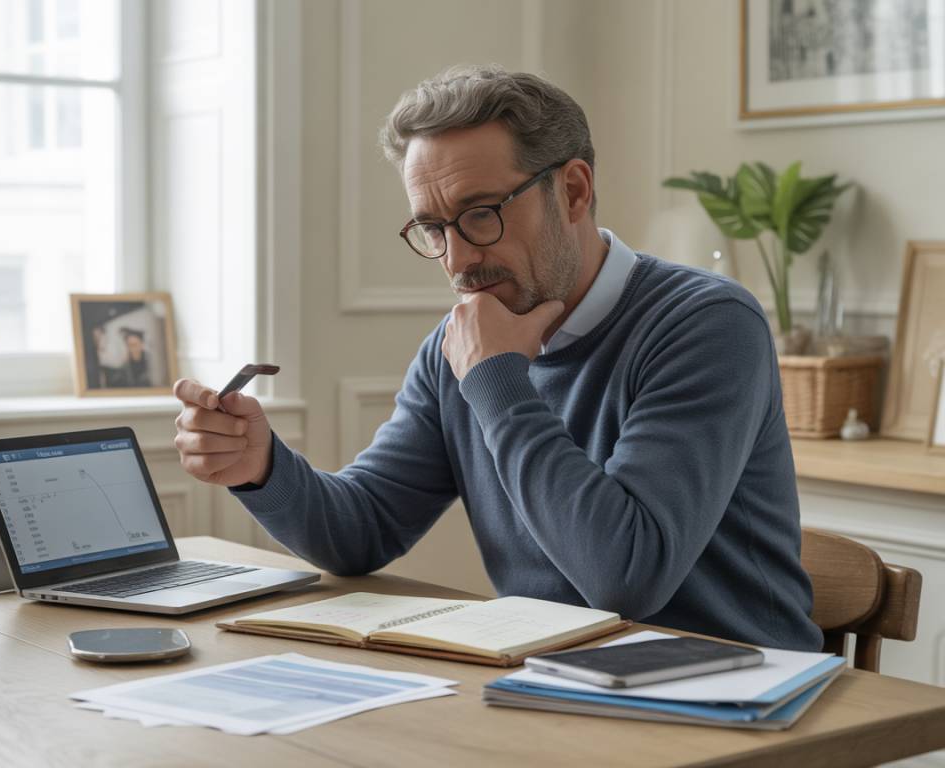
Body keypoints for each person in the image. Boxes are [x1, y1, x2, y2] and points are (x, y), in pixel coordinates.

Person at [173, 65, 823, 651]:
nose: (457, 261)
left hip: (739, 699)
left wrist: (497, 383)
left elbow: (626, 578)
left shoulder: (705, 324)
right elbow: (362, 531)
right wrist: (260, 466)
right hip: (553, 687)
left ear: (572, 191)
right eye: (432, 228)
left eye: (480, 214)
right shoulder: (456, 351)